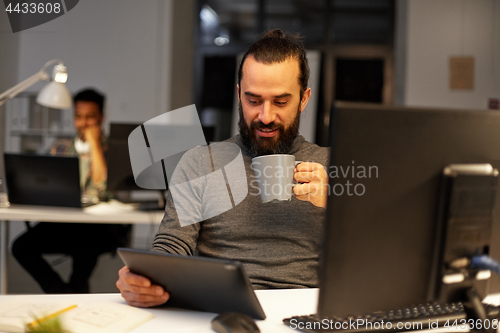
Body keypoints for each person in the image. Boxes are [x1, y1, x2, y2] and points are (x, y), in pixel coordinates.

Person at [116, 29, 329, 307]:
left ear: (303, 98)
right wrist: (145, 278)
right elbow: (172, 245)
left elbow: (377, 260)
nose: (265, 117)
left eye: (280, 101)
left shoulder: (331, 166)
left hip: (305, 311)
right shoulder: (201, 162)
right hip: (219, 307)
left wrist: (339, 209)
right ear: (239, 94)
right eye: (253, 100)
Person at [12, 88, 130, 294]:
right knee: (21, 247)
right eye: (78, 116)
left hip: (98, 228)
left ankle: (72, 295)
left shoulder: (114, 149)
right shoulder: (61, 147)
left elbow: (103, 186)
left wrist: (94, 143)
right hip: (64, 222)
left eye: (90, 117)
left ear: (102, 117)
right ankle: (62, 293)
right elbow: (45, 183)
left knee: (84, 250)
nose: (83, 123)